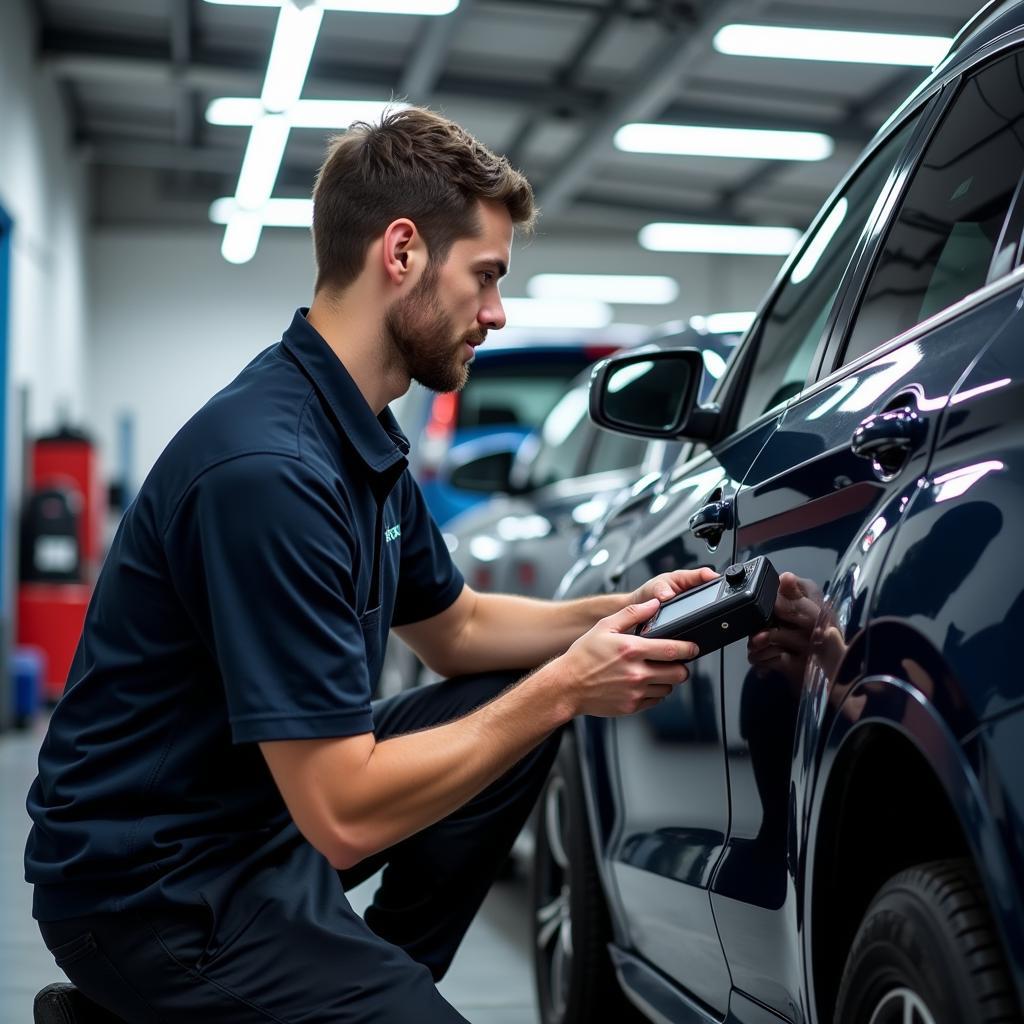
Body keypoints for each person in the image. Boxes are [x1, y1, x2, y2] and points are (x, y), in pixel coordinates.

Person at [25, 107, 715, 1023]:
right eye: (486, 277)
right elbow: (343, 812)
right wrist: (566, 689)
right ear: (402, 252)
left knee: (509, 692)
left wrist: (617, 613)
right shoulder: (268, 469)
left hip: (255, 829)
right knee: (535, 699)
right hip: (156, 893)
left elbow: (459, 629)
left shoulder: (359, 433)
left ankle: (369, 978)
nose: (497, 314)